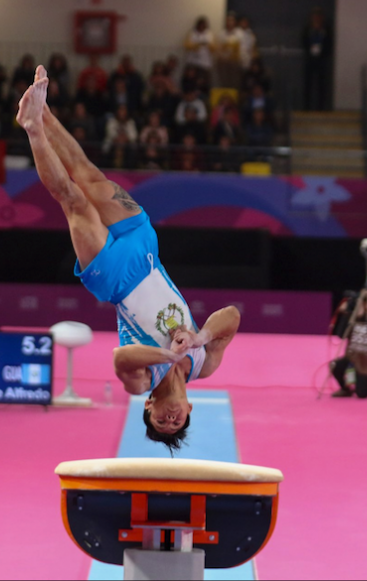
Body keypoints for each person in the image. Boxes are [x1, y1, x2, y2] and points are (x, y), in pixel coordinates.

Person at [17, 66, 241, 454]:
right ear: (189, 409)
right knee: (88, 173)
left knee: (73, 201)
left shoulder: (142, 383)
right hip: (147, 250)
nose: (170, 420)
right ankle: (45, 113)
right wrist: (200, 337)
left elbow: (122, 356)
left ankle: (33, 128)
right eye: (178, 422)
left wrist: (171, 354)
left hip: (115, 279)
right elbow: (232, 317)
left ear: (149, 407)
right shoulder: (204, 364)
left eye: (160, 421)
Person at [330, 295, 367, 399]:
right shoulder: (352, 317)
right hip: (352, 357)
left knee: (361, 394)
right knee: (335, 365)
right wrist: (346, 314)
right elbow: (341, 335)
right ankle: (345, 389)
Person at [302, 7, 332, 111]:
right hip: (310, 59)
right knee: (308, 84)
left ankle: (321, 108)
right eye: (315, 16)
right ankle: (306, 107)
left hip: (321, 59)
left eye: (318, 16)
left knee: (321, 84)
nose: (316, 18)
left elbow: (329, 43)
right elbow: (303, 40)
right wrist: (309, 50)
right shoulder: (308, 28)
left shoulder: (326, 29)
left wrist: (323, 52)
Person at [183, 17, 215, 92]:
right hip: (193, 63)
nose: (202, 27)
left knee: (205, 83)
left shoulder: (210, 34)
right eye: (200, 25)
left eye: (204, 25)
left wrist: (207, 45)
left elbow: (215, 48)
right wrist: (197, 45)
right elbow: (186, 45)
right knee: (192, 83)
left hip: (205, 64)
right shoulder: (191, 33)